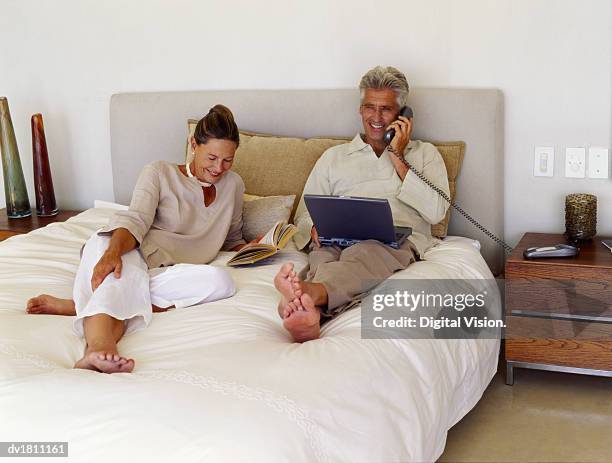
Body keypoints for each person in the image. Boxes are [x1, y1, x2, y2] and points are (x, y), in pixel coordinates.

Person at [27, 105, 253, 373]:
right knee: (122, 271)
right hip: (131, 248)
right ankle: (98, 349)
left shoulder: (234, 185)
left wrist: (256, 249)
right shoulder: (159, 172)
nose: (219, 168)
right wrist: (112, 253)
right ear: (194, 144)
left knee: (221, 281)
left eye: (228, 160)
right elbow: (135, 219)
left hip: (164, 270)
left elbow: (232, 237)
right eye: (212, 157)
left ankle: (82, 303)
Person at [274, 66, 450, 343]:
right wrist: (313, 231)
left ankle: (306, 296)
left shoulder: (426, 154)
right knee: (322, 258)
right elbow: (305, 215)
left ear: (403, 115)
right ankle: (311, 313)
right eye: (370, 107)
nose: (376, 118)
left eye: (386, 109)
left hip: (389, 243)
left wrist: (399, 156)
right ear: (360, 109)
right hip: (334, 240)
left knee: (363, 255)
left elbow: (437, 212)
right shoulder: (334, 157)